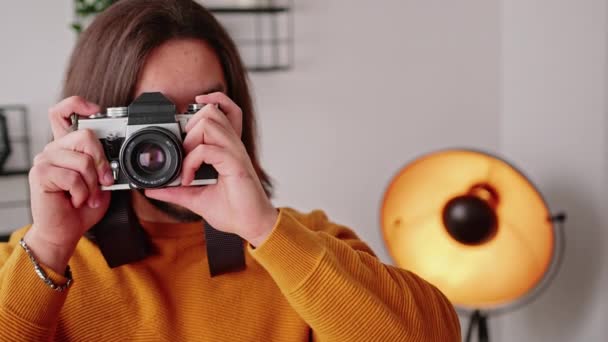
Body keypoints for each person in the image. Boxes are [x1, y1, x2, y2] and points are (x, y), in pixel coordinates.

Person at [0, 0, 460, 341]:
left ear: (235, 115)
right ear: (95, 126)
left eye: (200, 112)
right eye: (149, 117)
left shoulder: (302, 243)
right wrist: (50, 247)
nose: (171, 143)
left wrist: (262, 228)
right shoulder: (32, 263)